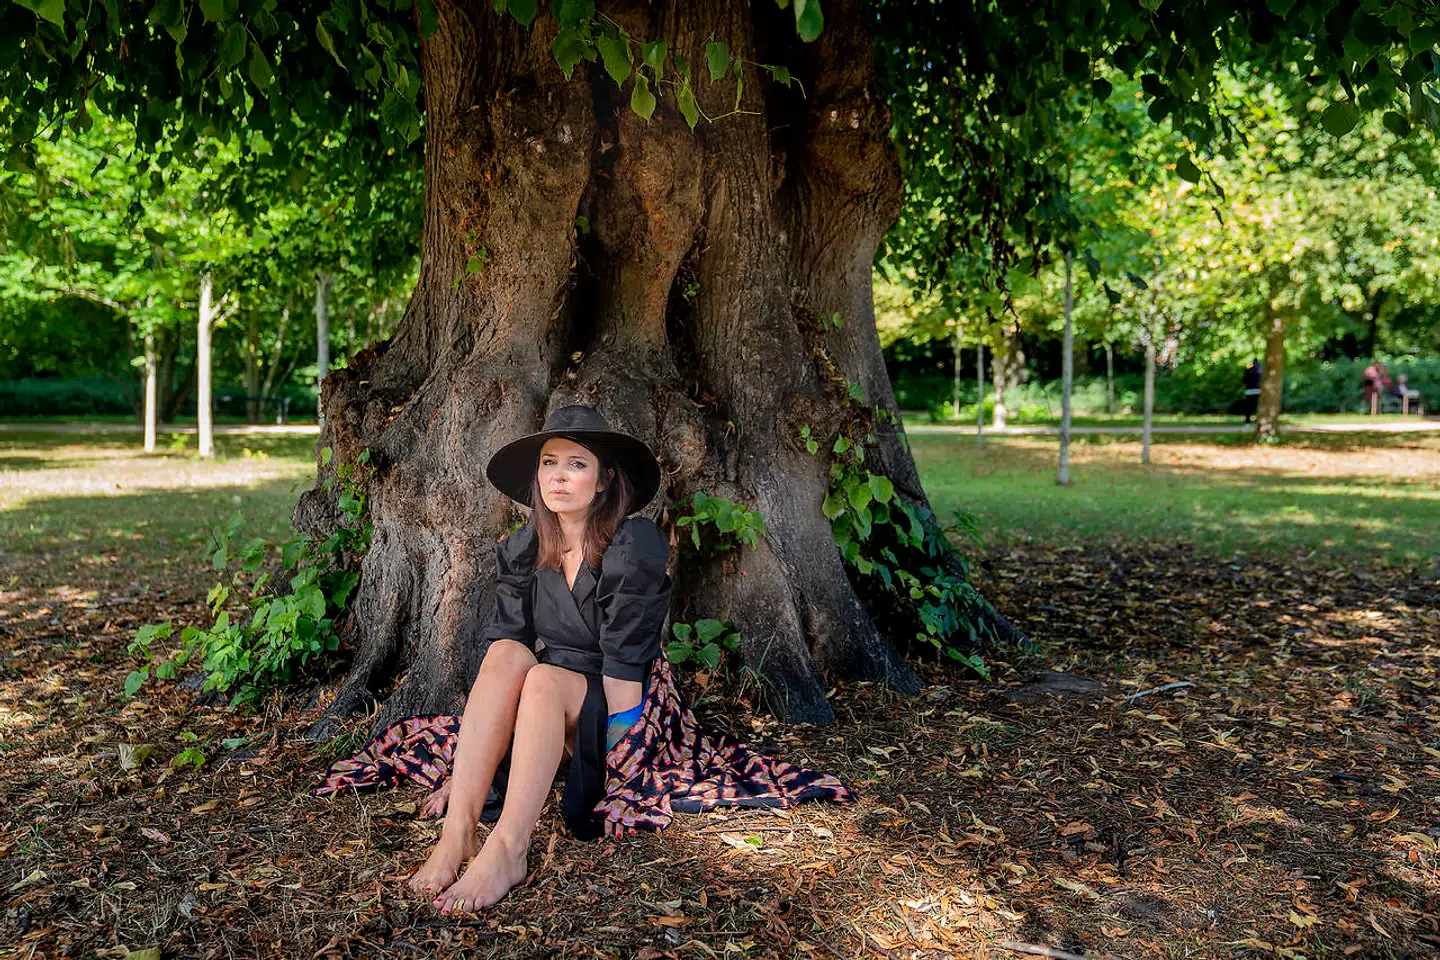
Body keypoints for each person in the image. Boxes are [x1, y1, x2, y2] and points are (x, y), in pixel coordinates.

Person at [311, 404, 852, 914]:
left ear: (605, 479)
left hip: (625, 702)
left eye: (576, 464)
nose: (559, 476)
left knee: (545, 679)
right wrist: (477, 763)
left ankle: (509, 850)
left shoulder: (632, 543)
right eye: (550, 463)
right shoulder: (525, 547)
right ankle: (457, 835)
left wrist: (616, 763)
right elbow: (507, 649)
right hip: (551, 699)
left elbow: (624, 673)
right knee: (506, 654)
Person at [1241, 358, 1262, 424]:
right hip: (1258, 390)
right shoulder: (1260, 369)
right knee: (1257, 407)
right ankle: (1257, 422)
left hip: (1249, 390)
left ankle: (1247, 422)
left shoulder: (1248, 369)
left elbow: (1244, 380)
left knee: (1248, 407)